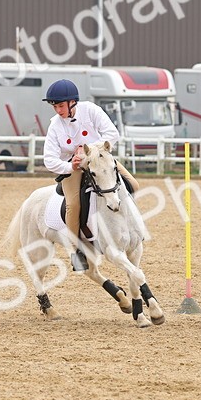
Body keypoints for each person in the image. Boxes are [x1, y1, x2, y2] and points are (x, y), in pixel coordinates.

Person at [42, 78, 139, 271]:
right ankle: (77, 250)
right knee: (74, 204)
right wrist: (71, 165)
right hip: (75, 167)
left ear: (72, 102)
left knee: (133, 185)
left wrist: (91, 150)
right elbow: (49, 160)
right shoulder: (55, 126)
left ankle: (131, 228)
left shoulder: (91, 110)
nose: (58, 111)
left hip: (99, 161)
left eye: (61, 106)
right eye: (55, 107)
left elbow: (112, 134)